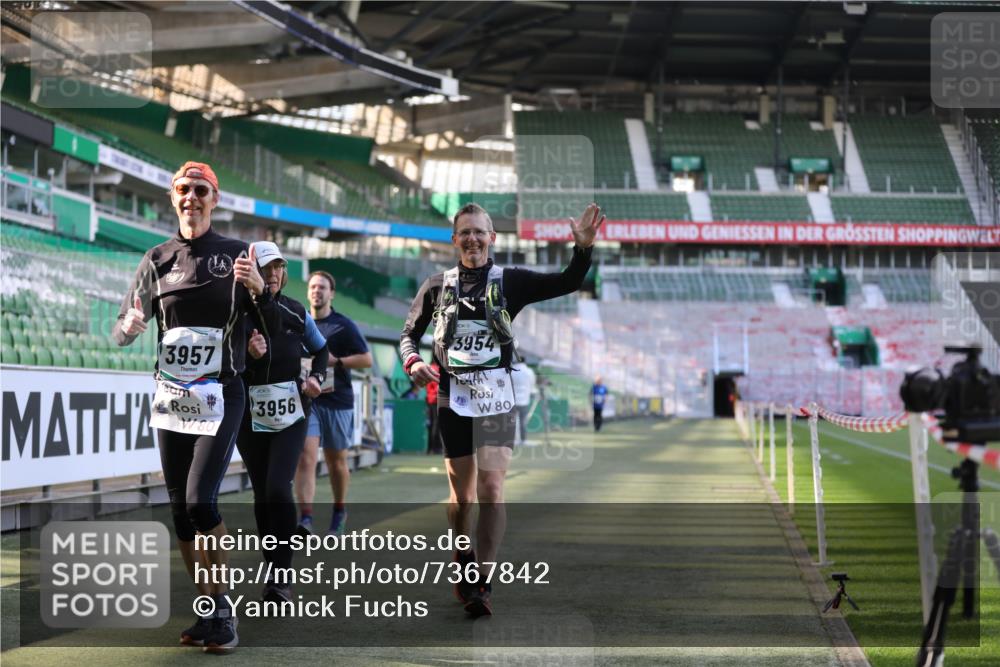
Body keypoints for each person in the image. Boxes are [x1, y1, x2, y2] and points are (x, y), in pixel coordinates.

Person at [400, 201, 604, 617]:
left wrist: (581, 248)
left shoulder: (511, 281)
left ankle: (481, 583)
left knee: (492, 490)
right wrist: (413, 362)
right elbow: (408, 334)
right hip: (452, 396)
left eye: (480, 231)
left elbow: (568, 281)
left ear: (492, 237)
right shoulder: (436, 285)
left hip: (497, 394)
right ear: (454, 239)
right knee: (462, 497)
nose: (472, 238)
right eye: (465, 232)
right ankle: (463, 558)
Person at [113, 161, 273, 653]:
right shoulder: (156, 258)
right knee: (181, 514)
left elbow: (269, 321)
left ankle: (224, 610)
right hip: (171, 399)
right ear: (172, 196)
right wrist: (130, 328)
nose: (191, 198)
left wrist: (259, 292)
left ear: (214, 198)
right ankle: (206, 608)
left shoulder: (235, 255)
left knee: (202, 501)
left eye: (200, 190)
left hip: (221, 393)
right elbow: (121, 328)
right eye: (183, 189)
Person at [238, 242, 329, 604]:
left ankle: (283, 575)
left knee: (278, 487)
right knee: (262, 493)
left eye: (278, 267)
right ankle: (274, 574)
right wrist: (246, 354)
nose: (273, 274)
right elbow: (223, 362)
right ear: (252, 271)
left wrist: (317, 379)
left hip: (292, 410)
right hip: (248, 412)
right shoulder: (236, 311)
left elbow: (321, 350)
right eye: (266, 267)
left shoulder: (295, 311)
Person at [294, 271, 373, 536]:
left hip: (337, 401)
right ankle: (305, 519)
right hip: (308, 400)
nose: (317, 291)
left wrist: (336, 361)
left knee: (335, 460)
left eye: (323, 287)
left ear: (331, 294)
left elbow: (366, 360)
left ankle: (340, 510)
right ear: (308, 292)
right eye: (313, 286)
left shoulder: (343, 325)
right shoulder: (298, 320)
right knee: (305, 457)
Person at [510, 358, 537, 445]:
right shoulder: (529, 372)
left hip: (512, 400)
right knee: (522, 422)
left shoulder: (511, 371)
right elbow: (532, 384)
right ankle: (523, 440)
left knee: (511, 422)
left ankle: (512, 439)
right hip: (524, 400)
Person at [425, 360, 442, 454]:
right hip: (436, 400)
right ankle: (436, 447)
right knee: (436, 425)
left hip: (429, 400)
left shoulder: (428, 367)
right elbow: (438, 385)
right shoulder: (437, 369)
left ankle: (430, 448)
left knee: (431, 425)